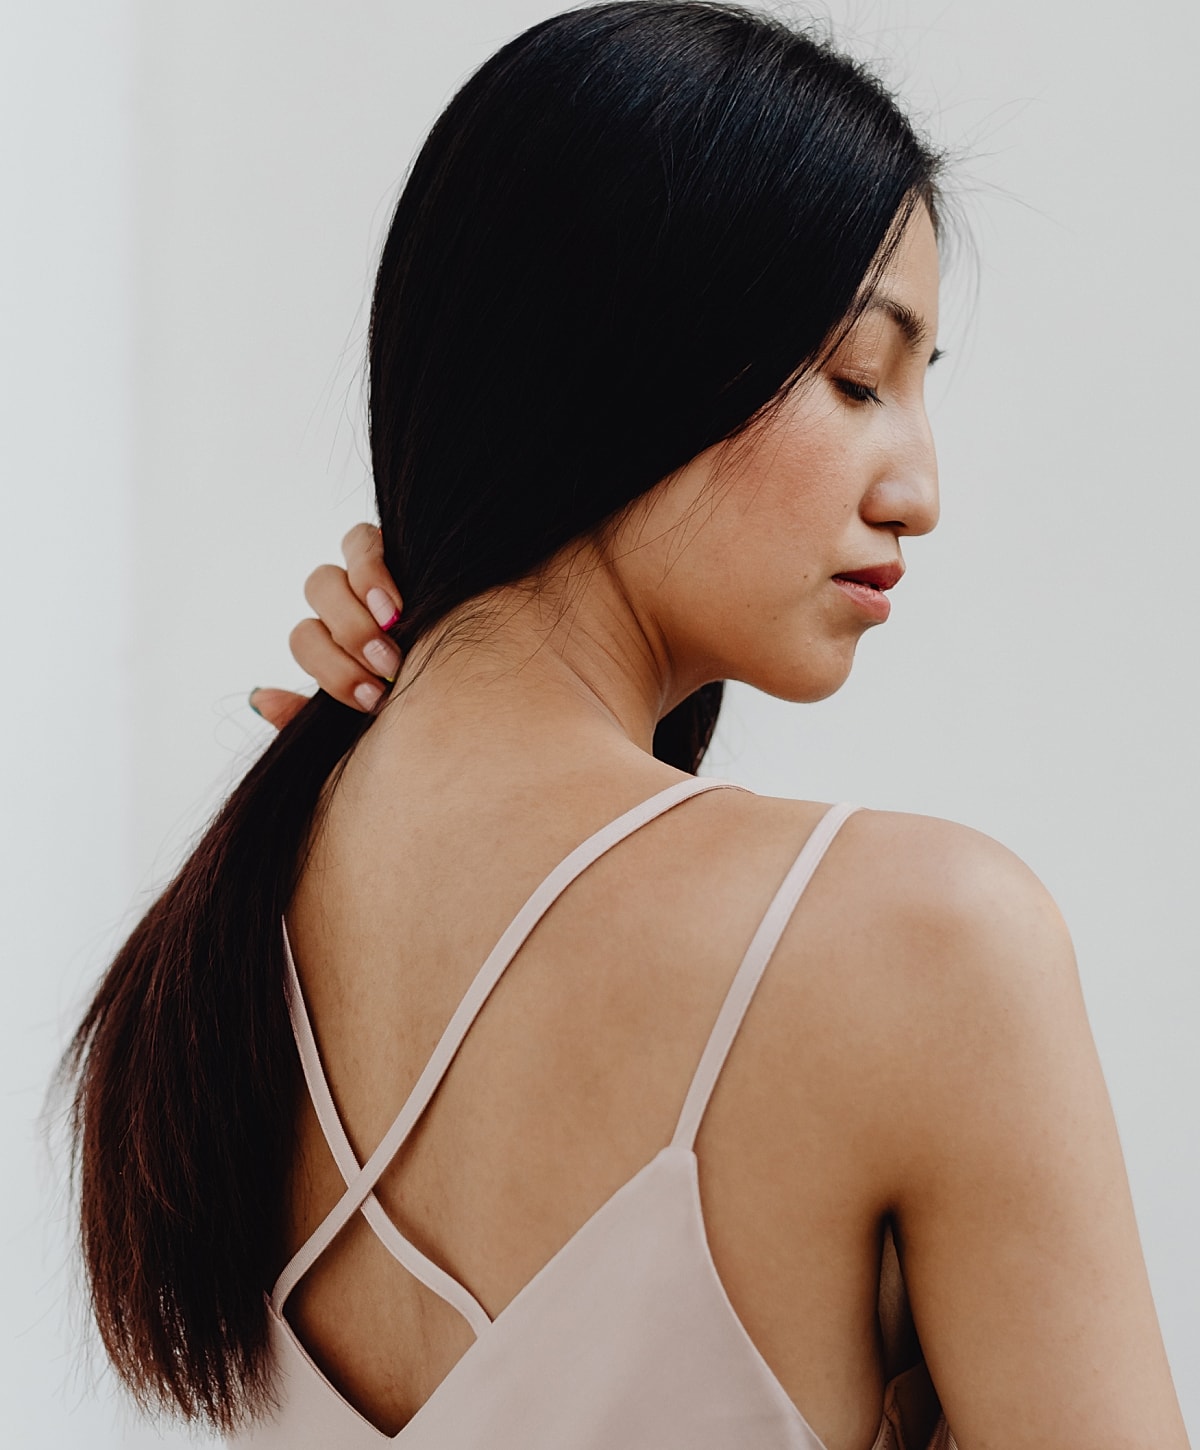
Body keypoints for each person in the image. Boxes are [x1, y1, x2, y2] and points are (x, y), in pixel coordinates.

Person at [61, 4, 1190, 1448]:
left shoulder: (222, 935)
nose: (919, 488)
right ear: (620, 353)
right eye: (857, 379)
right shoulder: (926, 942)